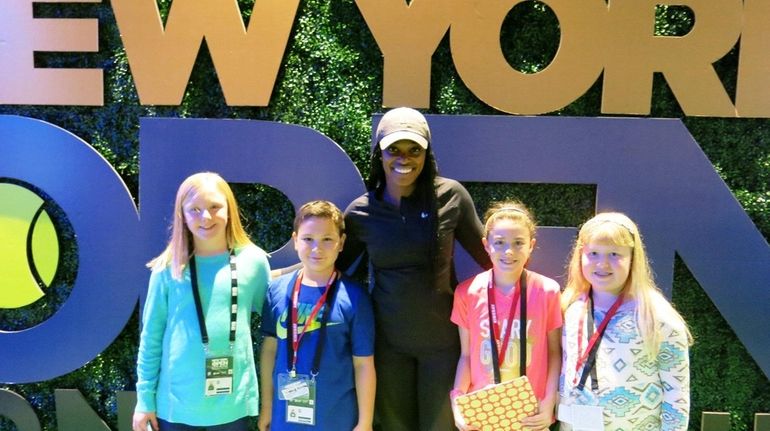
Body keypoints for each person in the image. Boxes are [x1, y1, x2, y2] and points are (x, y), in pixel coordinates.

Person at [337, 107, 491, 431]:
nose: (403, 158)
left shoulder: (451, 196)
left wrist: (541, 294)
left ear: (426, 154)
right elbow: (329, 269)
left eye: (413, 150)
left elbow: (492, 259)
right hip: (388, 347)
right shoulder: (361, 213)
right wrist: (281, 277)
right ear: (379, 154)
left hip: (444, 347)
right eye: (393, 149)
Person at [133, 172, 271, 431]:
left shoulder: (253, 261)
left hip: (234, 406)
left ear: (230, 210)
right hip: (176, 410)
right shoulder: (167, 269)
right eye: (194, 210)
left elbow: (275, 334)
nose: (205, 217)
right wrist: (144, 401)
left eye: (214, 207)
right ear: (182, 215)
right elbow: (151, 339)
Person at [558, 212, 691, 431]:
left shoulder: (656, 316)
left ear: (633, 259)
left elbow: (677, 393)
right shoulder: (571, 308)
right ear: (579, 256)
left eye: (614, 254)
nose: (602, 263)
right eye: (593, 253)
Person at [259, 200, 375, 431]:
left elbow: (363, 364)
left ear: (341, 243)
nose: (316, 248)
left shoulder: (355, 297)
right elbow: (269, 351)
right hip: (285, 418)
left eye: (327, 240)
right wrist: (267, 407)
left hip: (337, 419)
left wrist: (365, 422)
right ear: (295, 241)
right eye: (308, 239)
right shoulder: (277, 290)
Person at [450, 201, 562, 431]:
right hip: (484, 412)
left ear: (531, 246)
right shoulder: (467, 292)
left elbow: (554, 353)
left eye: (518, 243)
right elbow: (466, 355)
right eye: (499, 243)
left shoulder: (548, 291)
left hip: (532, 413)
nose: (508, 251)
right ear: (486, 245)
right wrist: (457, 402)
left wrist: (550, 401)